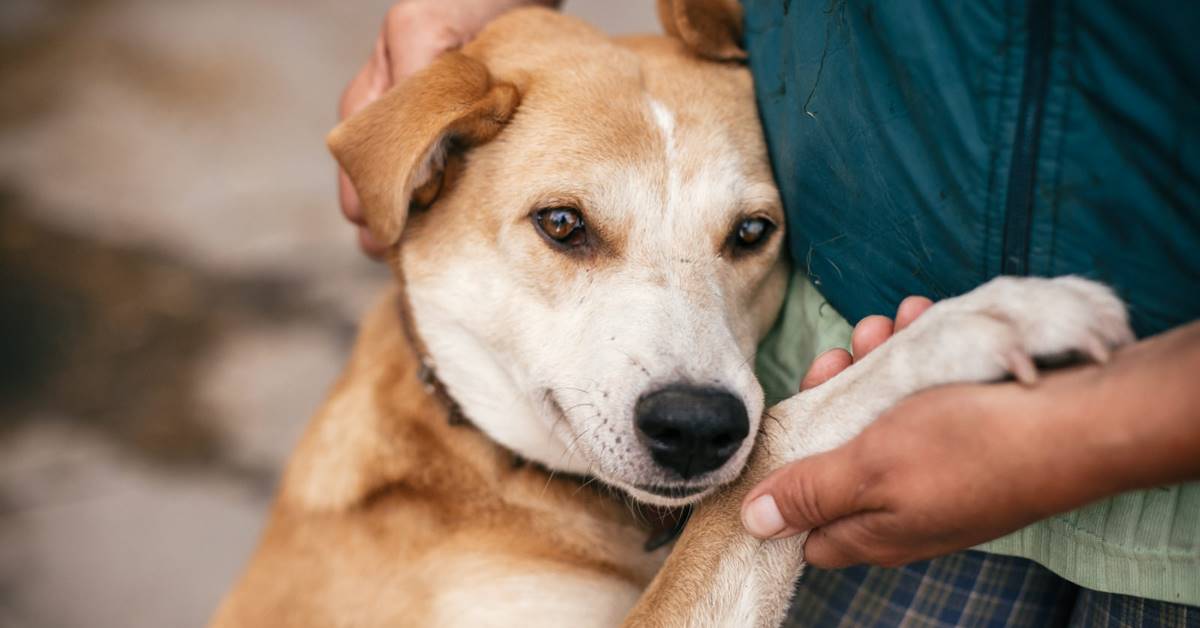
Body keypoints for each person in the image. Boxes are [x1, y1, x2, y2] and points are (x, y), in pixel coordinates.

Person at [336, 1, 1200, 625]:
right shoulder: (384, 535)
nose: (686, 380)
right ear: (428, 173)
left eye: (745, 233)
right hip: (875, 406)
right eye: (568, 228)